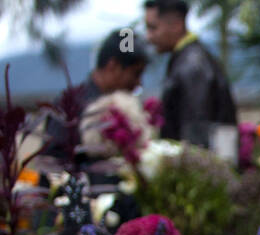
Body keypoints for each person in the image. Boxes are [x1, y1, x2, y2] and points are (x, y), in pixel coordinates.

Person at [44, 30, 150, 165]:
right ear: (113, 67)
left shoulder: (122, 106)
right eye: (136, 74)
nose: (138, 83)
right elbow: (53, 163)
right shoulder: (70, 107)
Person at [143, 0, 237, 145]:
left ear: (176, 25)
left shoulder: (193, 66)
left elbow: (196, 134)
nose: (148, 37)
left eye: (153, 28)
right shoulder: (191, 59)